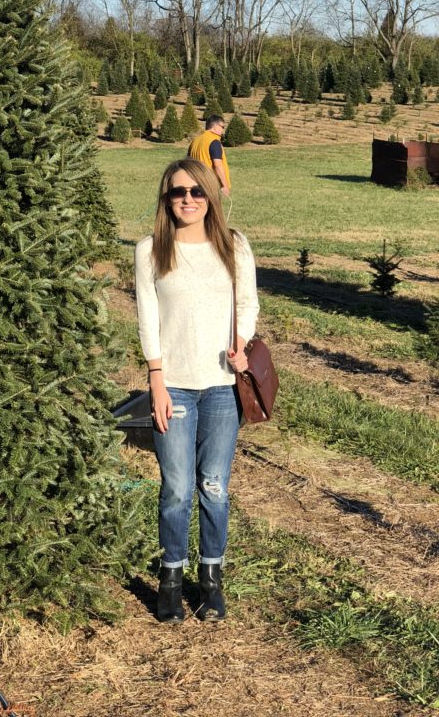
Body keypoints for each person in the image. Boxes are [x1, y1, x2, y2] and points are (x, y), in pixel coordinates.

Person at [134, 158, 258, 622]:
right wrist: (157, 381)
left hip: (223, 388)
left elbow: (246, 303)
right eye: (177, 192)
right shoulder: (150, 251)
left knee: (214, 487)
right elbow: (148, 319)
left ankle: (211, 580)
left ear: (209, 195)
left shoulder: (234, 246)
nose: (187, 199)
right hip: (177, 389)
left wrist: (240, 345)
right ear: (166, 199)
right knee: (178, 489)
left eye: (196, 191)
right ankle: (170, 577)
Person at [187, 115, 230, 196]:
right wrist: (225, 185)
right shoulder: (214, 141)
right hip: (209, 184)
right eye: (222, 127)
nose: (223, 130)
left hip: (194, 182)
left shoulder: (195, 141)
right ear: (216, 126)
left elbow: (187, 162)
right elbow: (217, 165)